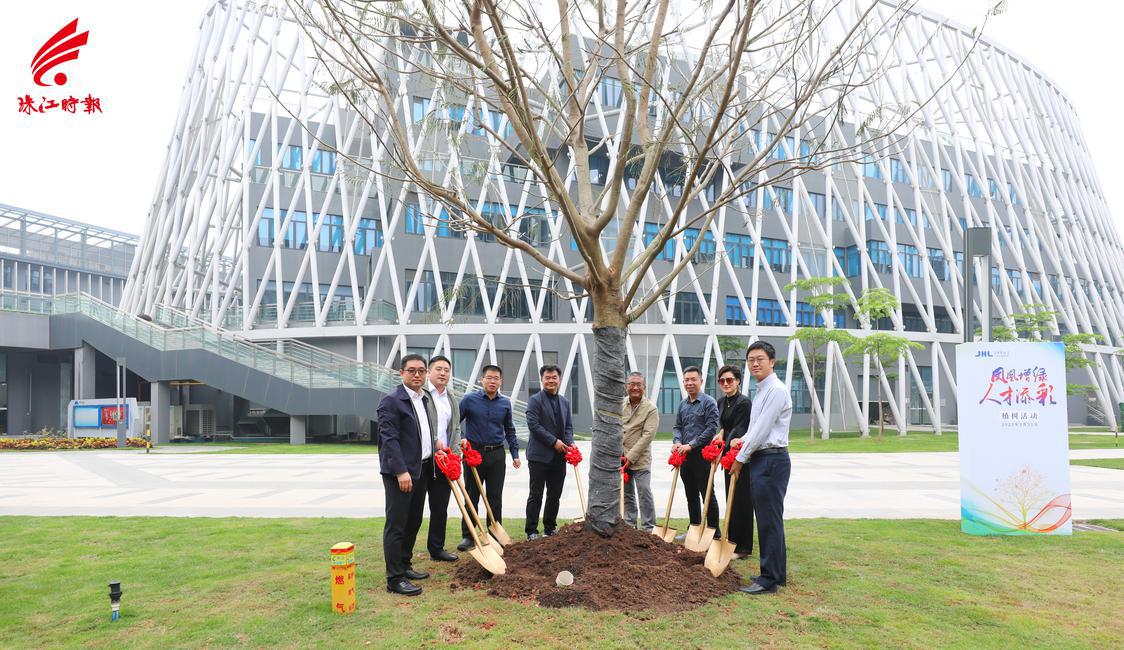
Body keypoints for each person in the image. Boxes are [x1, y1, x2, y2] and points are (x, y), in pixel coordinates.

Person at [731, 341, 792, 595]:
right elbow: (755, 429)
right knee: (769, 520)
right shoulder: (762, 390)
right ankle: (775, 573)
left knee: (769, 521)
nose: (755, 364)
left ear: (772, 361)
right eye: (750, 360)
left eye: (760, 359)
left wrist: (740, 458)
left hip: (770, 460)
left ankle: (770, 579)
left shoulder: (776, 390)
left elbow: (764, 430)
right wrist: (741, 441)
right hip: (763, 459)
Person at [377, 353, 439, 597]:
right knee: (397, 524)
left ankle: (405, 564)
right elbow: (389, 441)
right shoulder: (391, 401)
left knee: (413, 521)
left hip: (421, 469)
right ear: (401, 373)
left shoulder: (423, 399)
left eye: (421, 371)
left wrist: (436, 446)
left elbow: (420, 434)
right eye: (411, 370)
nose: (417, 375)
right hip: (400, 473)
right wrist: (401, 471)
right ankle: (394, 579)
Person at [456, 364, 521, 552]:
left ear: (501, 381)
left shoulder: (505, 403)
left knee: (494, 496)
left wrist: (515, 454)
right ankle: (469, 536)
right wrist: (461, 439)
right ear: (482, 380)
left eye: (496, 378)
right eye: (489, 378)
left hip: (497, 455)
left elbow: (509, 429)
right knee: (472, 495)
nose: (492, 381)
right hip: (473, 453)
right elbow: (455, 423)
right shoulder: (469, 400)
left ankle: (494, 533)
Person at [524, 364, 574, 539]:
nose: (551, 381)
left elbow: (568, 427)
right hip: (539, 456)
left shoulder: (565, 402)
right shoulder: (535, 400)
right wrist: (554, 442)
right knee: (536, 494)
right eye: (548, 378)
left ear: (559, 380)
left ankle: (550, 528)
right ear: (542, 380)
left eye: (554, 378)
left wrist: (570, 443)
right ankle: (531, 530)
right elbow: (534, 426)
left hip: (559, 457)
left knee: (554, 494)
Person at [672, 366, 720, 539]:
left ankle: (714, 532)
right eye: (687, 380)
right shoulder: (682, 405)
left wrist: (691, 445)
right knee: (690, 495)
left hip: (702, 456)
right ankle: (694, 528)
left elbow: (711, 428)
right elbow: (677, 427)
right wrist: (677, 442)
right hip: (685, 458)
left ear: (701, 381)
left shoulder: (709, 402)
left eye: (693, 379)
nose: (690, 383)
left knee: (707, 494)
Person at [715, 364, 754, 557]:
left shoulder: (744, 403)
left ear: (738, 381)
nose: (726, 383)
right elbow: (723, 425)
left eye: (729, 380)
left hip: (741, 455)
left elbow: (740, 429)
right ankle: (732, 541)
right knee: (730, 499)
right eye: (722, 381)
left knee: (742, 500)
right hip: (728, 455)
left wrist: (724, 448)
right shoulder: (721, 401)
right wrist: (720, 434)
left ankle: (743, 547)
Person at [424, 355, 460, 562]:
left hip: (444, 461)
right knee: (415, 507)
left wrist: (455, 456)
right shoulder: (422, 395)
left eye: (446, 370)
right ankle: (404, 554)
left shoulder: (451, 398)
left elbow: (456, 428)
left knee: (440, 506)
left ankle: (436, 548)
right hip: (424, 459)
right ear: (429, 372)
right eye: (438, 369)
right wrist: (434, 440)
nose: (443, 373)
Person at [621, 371, 658, 532]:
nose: (635, 387)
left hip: (640, 460)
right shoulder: (620, 404)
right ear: (626, 386)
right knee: (627, 494)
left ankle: (649, 527)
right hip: (621, 459)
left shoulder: (650, 408)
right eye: (632, 384)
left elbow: (647, 436)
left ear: (644, 387)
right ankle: (630, 526)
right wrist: (621, 455)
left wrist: (630, 456)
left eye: (639, 384)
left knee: (644, 492)